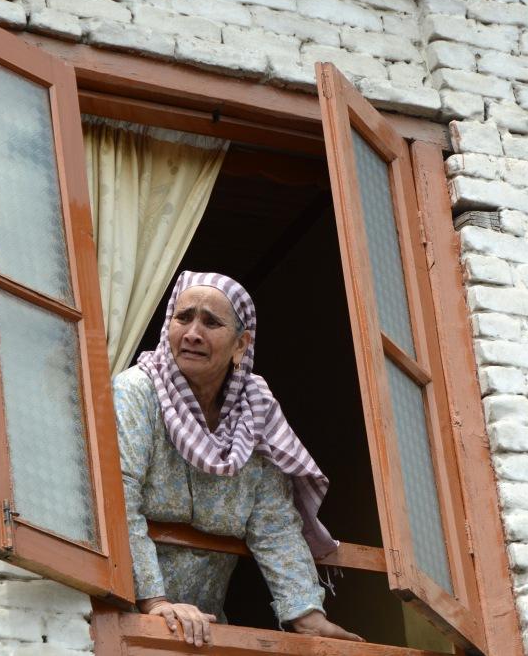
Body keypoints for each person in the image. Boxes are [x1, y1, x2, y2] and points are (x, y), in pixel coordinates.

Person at [114, 271, 363, 647]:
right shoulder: (137, 392)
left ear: (240, 345)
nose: (193, 332)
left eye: (211, 322)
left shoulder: (255, 411)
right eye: (183, 318)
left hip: (205, 629)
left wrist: (306, 613)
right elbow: (119, 495)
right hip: (125, 620)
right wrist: (155, 601)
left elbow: (274, 523)